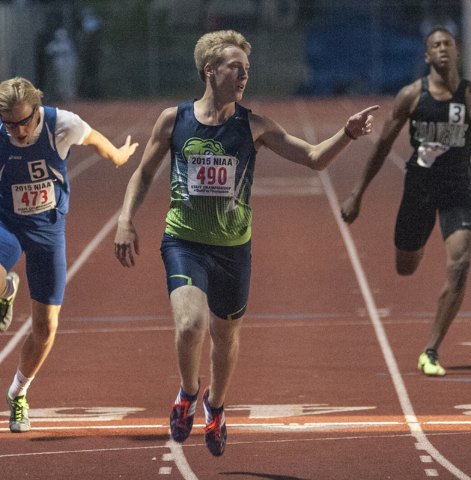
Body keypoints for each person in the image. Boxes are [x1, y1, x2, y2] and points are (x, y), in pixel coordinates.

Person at [114, 29, 378, 456]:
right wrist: (126, 219)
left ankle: (215, 405)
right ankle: (186, 393)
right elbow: (143, 173)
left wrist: (346, 134)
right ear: (210, 70)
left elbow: (312, 158)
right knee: (190, 325)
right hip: (184, 240)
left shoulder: (253, 125)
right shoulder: (174, 119)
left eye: (247, 70)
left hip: (233, 248)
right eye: (235, 68)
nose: (243, 76)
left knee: (225, 335)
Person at [0, 77, 138, 433]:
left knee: (46, 328)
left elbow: (96, 141)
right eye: (8, 123)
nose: (16, 130)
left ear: (37, 108)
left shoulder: (63, 124)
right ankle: (5, 289)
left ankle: (18, 394)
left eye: (23, 121)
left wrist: (119, 156)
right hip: (7, 223)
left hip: (47, 230)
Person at [340, 27, 471, 377]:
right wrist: (357, 194)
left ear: (456, 51)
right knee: (406, 266)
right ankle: (425, 235)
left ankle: (430, 351)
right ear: (427, 56)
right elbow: (382, 146)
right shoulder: (412, 96)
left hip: (459, 190)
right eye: (435, 45)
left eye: (448, 44)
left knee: (460, 265)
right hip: (420, 189)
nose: (443, 49)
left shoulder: (468, 96)